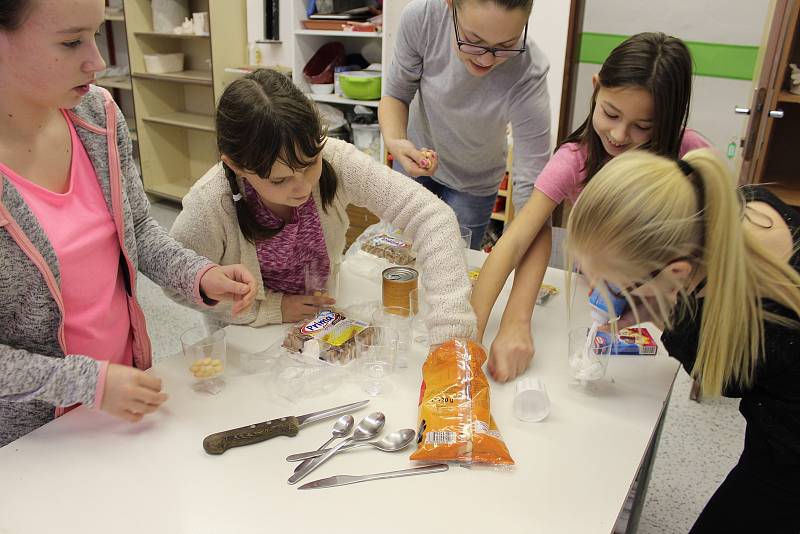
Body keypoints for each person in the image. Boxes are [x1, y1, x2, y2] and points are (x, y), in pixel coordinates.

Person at [0, 0, 257, 447]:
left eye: (96, 34)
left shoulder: (97, 115)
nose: (96, 61)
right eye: (70, 41)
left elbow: (136, 229)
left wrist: (199, 273)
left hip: (126, 401)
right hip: (33, 442)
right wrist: (86, 383)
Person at [566, 148, 800, 534]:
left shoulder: (768, 325)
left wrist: (660, 315)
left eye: (616, 284)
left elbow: (728, 380)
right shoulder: (722, 214)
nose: (602, 291)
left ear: (675, 272)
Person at [169, 68, 476, 345]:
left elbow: (431, 216)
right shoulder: (210, 202)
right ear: (236, 166)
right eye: (279, 181)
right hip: (244, 337)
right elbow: (177, 281)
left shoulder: (334, 158)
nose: (301, 186)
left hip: (322, 318)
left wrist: (450, 338)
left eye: (310, 164)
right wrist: (271, 308)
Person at [472, 32, 710, 381]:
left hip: (665, 313)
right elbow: (519, 238)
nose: (619, 135)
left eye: (643, 127)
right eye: (610, 113)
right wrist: (484, 333)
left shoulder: (692, 158)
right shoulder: (574, 161)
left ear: (670, 121)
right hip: (594, 304)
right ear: (596, 88)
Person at [379, 0, 551, 249]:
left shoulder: (528, 70)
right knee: (396, 254)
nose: (486, 60)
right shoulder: (423, 18)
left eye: (506, 46)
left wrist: (521, 254)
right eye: (474, 40)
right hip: (415, 162)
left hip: (474, 185)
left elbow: (532, 186)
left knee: (453, 266)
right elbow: (396, 95)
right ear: (450, 4)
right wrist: (396, 142)